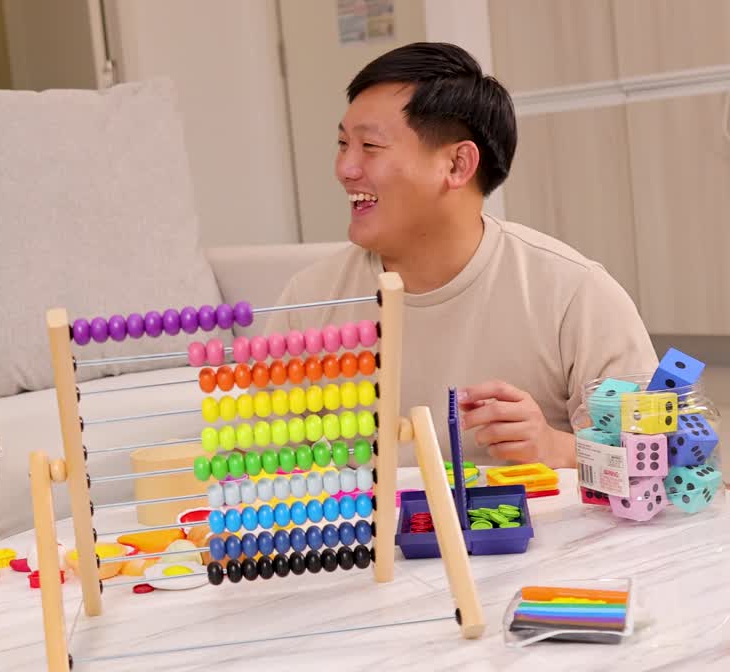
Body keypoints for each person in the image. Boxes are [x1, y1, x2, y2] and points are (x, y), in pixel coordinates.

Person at [267, 42, 656, 468]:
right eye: (343, 144)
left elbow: (663, 462)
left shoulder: (574, 293)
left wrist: (555, 447)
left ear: (457, 164)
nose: (345, 168)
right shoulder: (309, 301)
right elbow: (263, 463)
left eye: (369, 147)